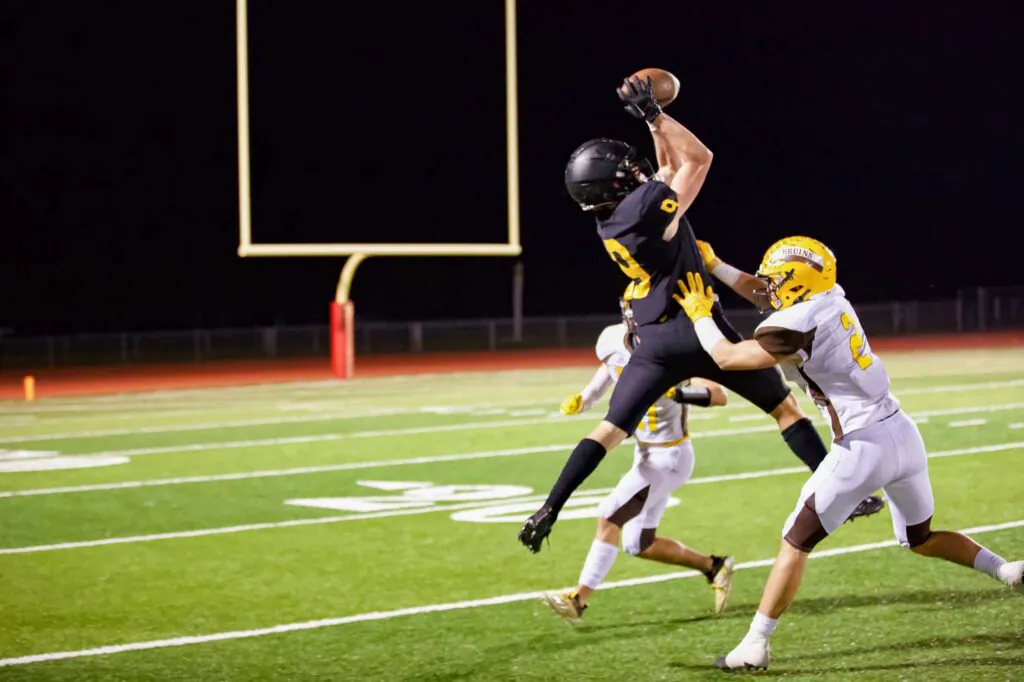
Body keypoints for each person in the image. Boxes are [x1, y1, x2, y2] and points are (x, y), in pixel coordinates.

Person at [517, 76, 881, 554]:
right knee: (784, 409)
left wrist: (655, 125)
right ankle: (844, 495)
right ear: (616, 184)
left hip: (652, 340)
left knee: (607, 430)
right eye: (626, 170)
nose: (636, 171)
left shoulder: (612, 220)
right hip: (697, 326)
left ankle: (550, 506)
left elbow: (667, 166)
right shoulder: (645, 207)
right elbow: (697, 160)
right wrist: (653, 116)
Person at [670, 236, 1024, 670]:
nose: (769, 286)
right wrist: (719, 266)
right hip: (902, 433)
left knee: (794, 540)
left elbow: (727, 357)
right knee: (921, 538)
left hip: (860, 446)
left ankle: (754, 646)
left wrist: (701, 314)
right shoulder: (830, 295)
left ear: (796, 285)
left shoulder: (794, 322)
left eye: (778, 280)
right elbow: (770, 295)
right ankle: (1005, 570)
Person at [543, 302, 735, 623]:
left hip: (669, 455)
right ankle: (714, 566)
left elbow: (719, 395)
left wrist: (680, 393)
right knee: (638, 544)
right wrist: (587, 396)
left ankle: (578, 599)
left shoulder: (676, 347)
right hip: (644, 454)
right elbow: (612, 366)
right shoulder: (612, 339)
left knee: (608, 518)